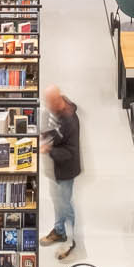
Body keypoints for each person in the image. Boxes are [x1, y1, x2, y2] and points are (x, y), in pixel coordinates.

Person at [39, 85, 82, 258]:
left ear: (58, 101)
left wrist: (49, 150)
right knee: (58, 201)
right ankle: (58, 230)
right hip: (56, 169)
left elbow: (70, 151)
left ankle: (70, 240)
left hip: (66, 170)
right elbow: (54, 131)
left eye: (50, 102)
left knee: (65, 204)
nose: (47, 106)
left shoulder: (71, 121)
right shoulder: (56, 112)